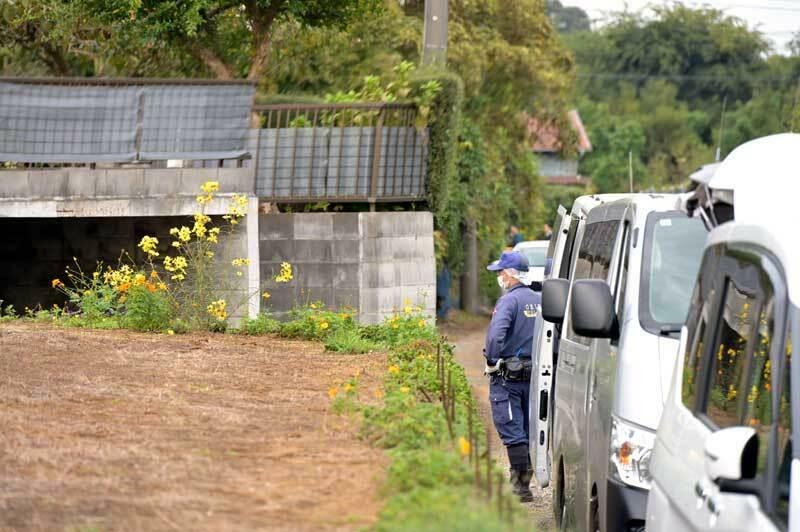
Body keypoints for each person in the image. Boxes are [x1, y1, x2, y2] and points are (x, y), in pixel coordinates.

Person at [483, 250, 540, 502]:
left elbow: (496, 335)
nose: (499, 277)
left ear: (509, 274)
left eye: (500, 272)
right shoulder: (539, 299)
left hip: (508, 377)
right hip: (536, 375)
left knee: (512, 429)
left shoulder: (509, 301)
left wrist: (492, 360)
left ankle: (521, 487)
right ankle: (521, 479)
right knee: (528, 428)